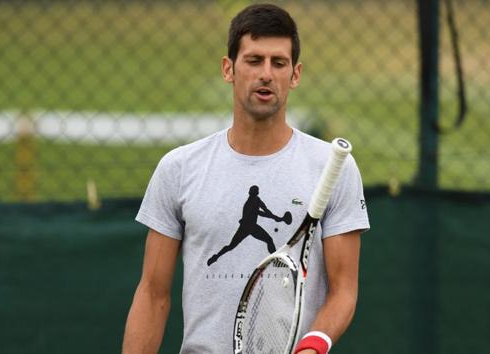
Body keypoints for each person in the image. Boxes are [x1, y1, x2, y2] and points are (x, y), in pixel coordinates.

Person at [122, 4, 370, 354]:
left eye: (278, 63)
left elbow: (343, 290)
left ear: (295, 75)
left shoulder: (333, 168)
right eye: (254, 61)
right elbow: (152, 293)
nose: (266, 74)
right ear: (229, 69)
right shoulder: (178, 168)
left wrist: (313, 346)